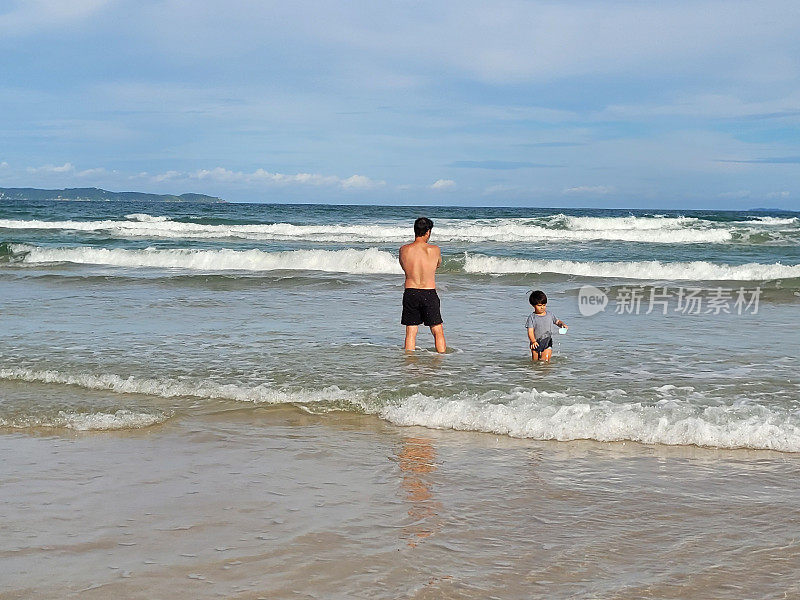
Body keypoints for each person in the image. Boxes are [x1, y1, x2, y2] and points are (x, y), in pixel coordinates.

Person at [399, 217, 447, 353]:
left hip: (411, 292)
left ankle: (409, 362)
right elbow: (438, 264)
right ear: (428, 232)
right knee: (437, 330)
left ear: (415, 230)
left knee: (411, 332)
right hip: (429, 292)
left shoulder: (404, 250)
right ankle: (442, 360)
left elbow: (403, 266)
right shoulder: (434, 250)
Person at [526, 290, 567, 361]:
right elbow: (530, 331)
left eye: (544, 305)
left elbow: (557, 321)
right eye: (539, 305)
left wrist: (562, 325)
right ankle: (535, 372)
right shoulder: (532, 317)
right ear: (533, 305)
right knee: (535, 362)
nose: (542, 307)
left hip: (547, 341)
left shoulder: (550, 315)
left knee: (545, 360)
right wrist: (533, 341)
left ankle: (546, 371)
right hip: (535, 342)